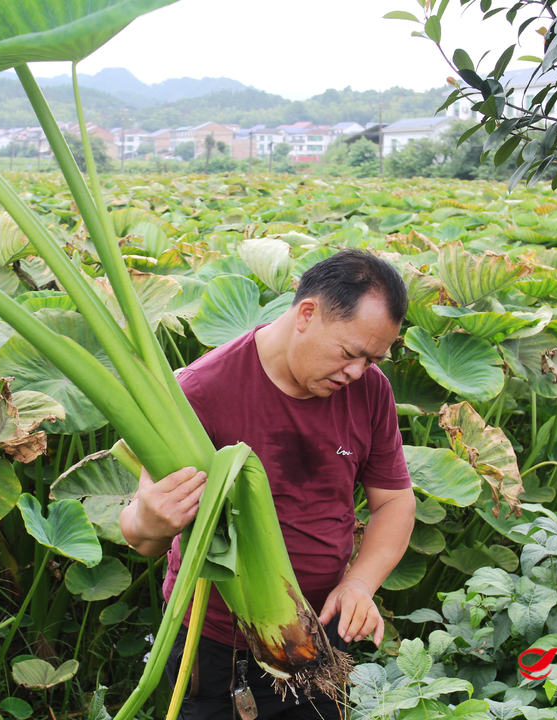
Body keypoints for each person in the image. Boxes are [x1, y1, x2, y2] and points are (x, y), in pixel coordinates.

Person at [119, 249, 416, 720]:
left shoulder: (370, 389)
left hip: (319, 635)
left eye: (373, 359)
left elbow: (395, 501)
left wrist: (359, 584)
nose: (358, 372)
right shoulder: (201, 389)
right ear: (306, 314)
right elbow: (139, 535)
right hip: (218, 646)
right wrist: (151, 519)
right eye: (350, 353)